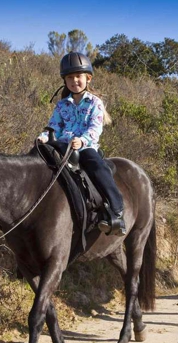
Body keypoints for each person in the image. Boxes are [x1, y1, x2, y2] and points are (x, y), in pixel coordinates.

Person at [37, 52, 126, 236]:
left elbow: (95, 128)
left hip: (85, 147)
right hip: (62, 145)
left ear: (88, 78)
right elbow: (54, 126)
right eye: (70, 77)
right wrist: (44, 137)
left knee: (96, 166)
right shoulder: (61, 105)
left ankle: (116, 210)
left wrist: (82, 140)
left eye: (78, 76)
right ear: (65, 80)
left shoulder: (95, 103)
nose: (74, 80)